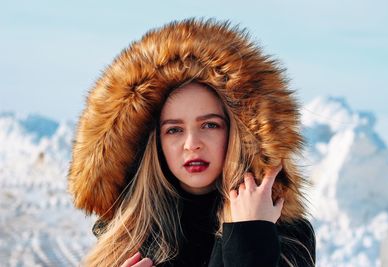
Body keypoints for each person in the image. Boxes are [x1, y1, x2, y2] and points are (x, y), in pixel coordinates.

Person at [68, 18, 316, 266]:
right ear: (153, 143)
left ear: (238, 134)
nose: (192, 143)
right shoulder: (122, 241)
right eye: (174, 129)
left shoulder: (283, 234)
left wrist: (249, 238)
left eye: (209, 125)